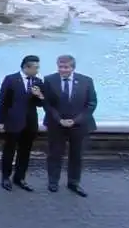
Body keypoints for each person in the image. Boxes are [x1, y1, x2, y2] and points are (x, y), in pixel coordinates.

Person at [41, 54, 97, 197]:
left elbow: (91, 104)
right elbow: (47, 103)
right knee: (55, 154)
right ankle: (53, 181)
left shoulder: (86, 81)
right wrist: (59, 119)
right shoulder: (49, 80)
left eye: (66, 67)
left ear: (73, 67)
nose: (63, 70)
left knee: (76, 155)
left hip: (79, 125)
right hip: (56, 124)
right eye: (60, 67)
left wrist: (76, 120)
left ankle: (74, 183)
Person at [0, 55, 44, 192]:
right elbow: (3, 101)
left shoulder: (38, 81)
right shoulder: (11, 79)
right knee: (9, 150)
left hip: (30, 123)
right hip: (13, 121)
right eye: (36, 68)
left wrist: (39, 95)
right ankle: (5, 177)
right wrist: (0, 121)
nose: (37, 70)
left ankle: (20, 178)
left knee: (25, 151)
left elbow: (41, 104)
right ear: (26, 67)